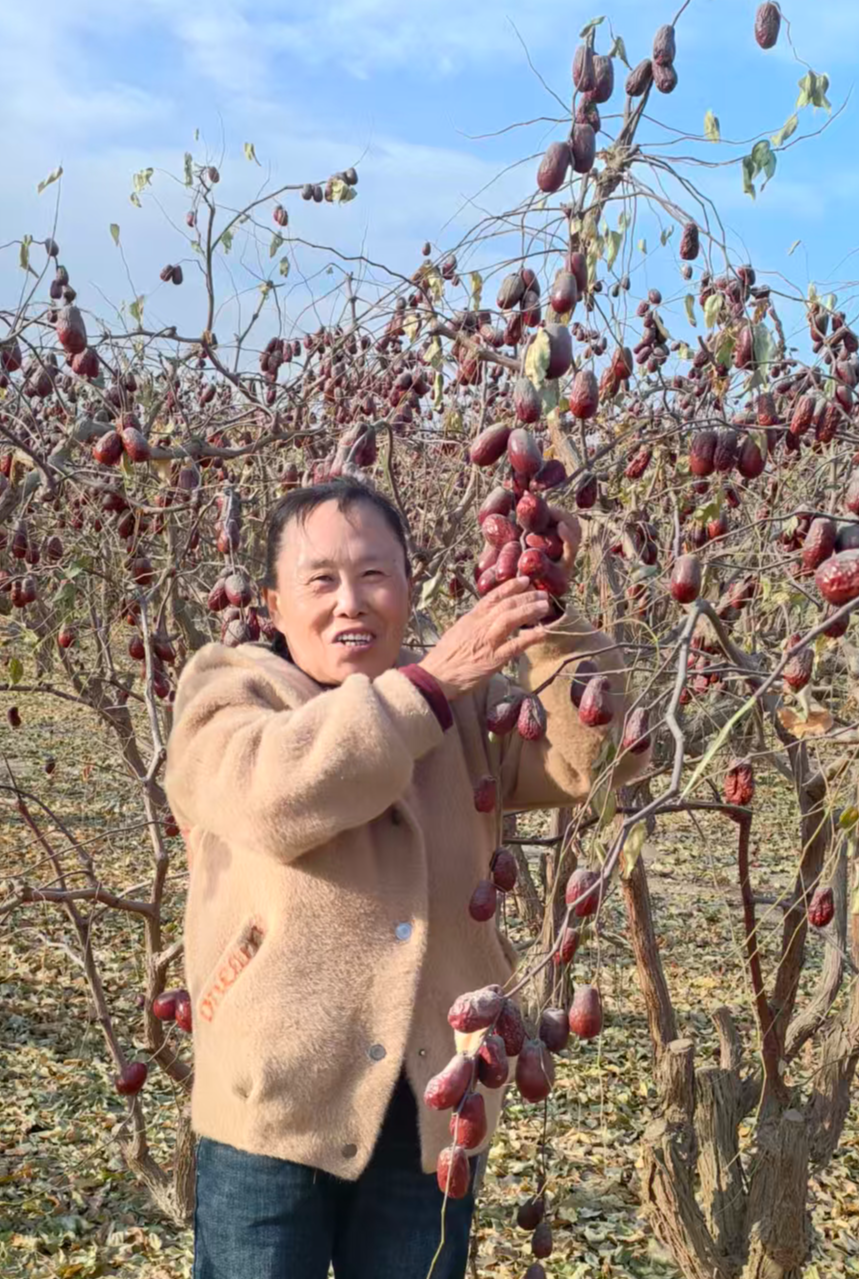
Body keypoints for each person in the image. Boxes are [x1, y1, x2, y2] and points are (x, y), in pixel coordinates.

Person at [165, 478, 628, 1279]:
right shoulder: (228, 691)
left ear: (409, 591)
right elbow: (277, 796)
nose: (351, 602)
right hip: (270, 1106)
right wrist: (428, 688)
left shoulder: (462, 703)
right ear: (273, 604)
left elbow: (595, 756)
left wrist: (546, 599)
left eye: (375, 575)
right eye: (321, 580)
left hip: (431, 1106)